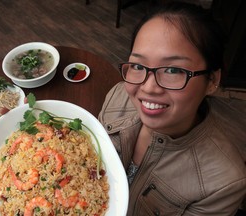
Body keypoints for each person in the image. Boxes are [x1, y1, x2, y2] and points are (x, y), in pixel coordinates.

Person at [98, 1, 246, 215]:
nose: (148, 87)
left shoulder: (223, 182)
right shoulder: (119, 95)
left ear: (212, 80)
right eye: (138, 66)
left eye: (173, 70)